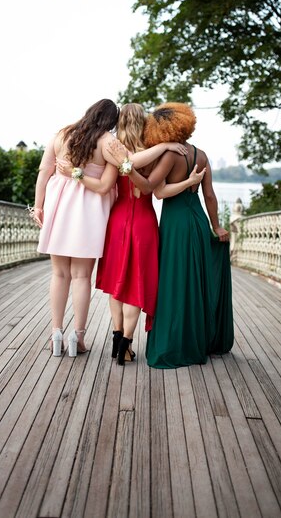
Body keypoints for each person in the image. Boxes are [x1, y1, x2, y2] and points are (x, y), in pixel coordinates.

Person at [32, 99, 189, 358]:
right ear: (110, 121)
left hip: (58, 209)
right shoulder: (106, 142)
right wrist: (165, 144)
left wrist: (39, 206)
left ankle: (56, 332)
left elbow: (44, 172)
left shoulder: (61, 135)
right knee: (81, 276)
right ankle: (78, 337)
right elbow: (127, 166)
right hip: (87, 212)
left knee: (59, 274)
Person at [109, 102, 234, 369]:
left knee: (174, 282)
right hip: (198, 220)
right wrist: (216, 226)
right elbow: (209, 195)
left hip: (175, 223)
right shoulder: (202, 155)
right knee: (194, 281)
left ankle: (174, 341)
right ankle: (197, 338)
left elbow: (156, 191)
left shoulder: (169, 156)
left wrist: (128, 169)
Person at [95, 104, 205, 365]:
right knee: (135, 286)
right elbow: (152, 189)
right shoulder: (153, 155)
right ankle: (126, 345)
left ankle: (116, 338)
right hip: (144, 222)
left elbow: (110, 180)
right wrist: (166, 148)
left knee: (117, 285)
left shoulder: (114, 151)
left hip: (118, 221)